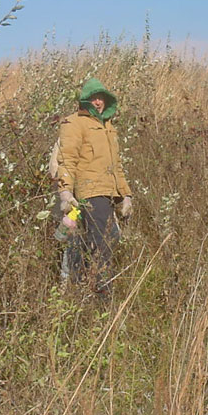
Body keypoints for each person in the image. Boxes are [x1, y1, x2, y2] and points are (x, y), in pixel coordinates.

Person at [50, 77, 132, 297]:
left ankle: (81, 287)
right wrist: (65, 192)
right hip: (89, 193)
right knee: (101, 245)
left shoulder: (108, 127)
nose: (97, 102)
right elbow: (67, 159)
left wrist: (126, 195)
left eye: (101, 98)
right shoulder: (74, 122)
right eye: (93, 98)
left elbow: (117, 166)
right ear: (85, 100)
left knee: (106, 239)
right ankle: (101, 295)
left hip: (108, 194)